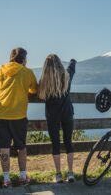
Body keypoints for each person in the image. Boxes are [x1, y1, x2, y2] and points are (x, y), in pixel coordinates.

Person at [0, 47, 38, 188]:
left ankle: (6, 180)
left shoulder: (0, 70)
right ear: (24, 59)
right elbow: (34, 90)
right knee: (21, 147)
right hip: (19, 116)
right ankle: (22, 177)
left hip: (1, 115)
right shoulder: (27, 72)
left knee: (4, 148)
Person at [38, 55, 76, 183]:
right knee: (68, 143)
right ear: (60, 64)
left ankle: (58, 175)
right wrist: (72, 61)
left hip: (52, 115)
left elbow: (41, 96)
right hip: (67, 113)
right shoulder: (66, 76)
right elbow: (72, 68)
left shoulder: (44, 81)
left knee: (56, 144)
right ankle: (70, 173)